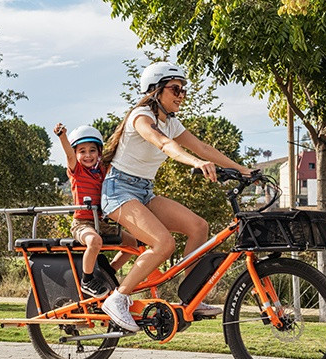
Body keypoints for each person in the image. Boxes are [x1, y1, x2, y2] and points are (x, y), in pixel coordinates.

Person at [100, 62, 253, 332]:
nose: (181, 95)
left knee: (198, 226)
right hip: (118, 190)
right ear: (156, 90)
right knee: (163, 243)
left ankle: (191, 296)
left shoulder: (171, 122)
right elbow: (163, 144)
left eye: (183, 90)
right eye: (175, 89)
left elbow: (204, 147)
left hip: (144, 191)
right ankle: (118, 297)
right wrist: (193, 162)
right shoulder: (140, 117)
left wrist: (243, 169)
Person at [54, 123, 137, 297]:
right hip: (82, 223)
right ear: (76, 154)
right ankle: (87, 280)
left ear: (99, 152)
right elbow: (69, 155)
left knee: (133, 243)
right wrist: (62, 137)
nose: (87, 155)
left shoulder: (102, 171)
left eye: (92, 150)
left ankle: (108, 272)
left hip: (102, 222)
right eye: (82, 151)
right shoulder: (77, 171)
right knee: (94, 241)